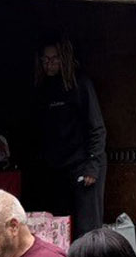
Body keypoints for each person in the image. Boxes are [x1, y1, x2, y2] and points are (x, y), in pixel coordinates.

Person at [33, 36, 107, 239]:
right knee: (59, 224)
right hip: (58, 168)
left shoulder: (79, 83)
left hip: (83, 166)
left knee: (87, 226)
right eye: (45, 59)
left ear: (64, 59)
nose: (50, 64)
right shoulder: (42, 89)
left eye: (55, 59)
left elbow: (97, 128)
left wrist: (93, 165)